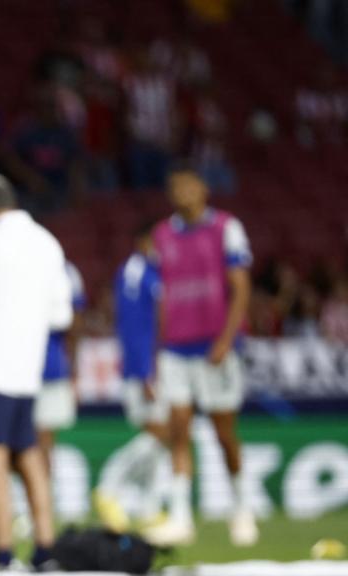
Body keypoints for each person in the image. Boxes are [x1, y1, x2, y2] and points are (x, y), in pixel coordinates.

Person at [0, 172, 72, 572]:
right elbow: (61, 313)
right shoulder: (47, 241)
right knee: (30, 455)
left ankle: (3, 555)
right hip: (27, 367)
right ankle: (45, 550)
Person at [143, 164, 257, 547]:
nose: (182, 193)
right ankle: (180, 515)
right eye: (175, 187)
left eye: (188, 186)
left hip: (214, 346)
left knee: (224, 432)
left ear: (204, 189)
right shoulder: (162, 234)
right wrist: (157, 351)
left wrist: (228, 339)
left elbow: (240, 286)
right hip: (176, 347)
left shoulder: (227, 227)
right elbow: (161, 297)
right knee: (179, 427)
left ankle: (241, 506)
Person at [94, 222, 170, 533]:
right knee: (161, 434)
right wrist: (145, 372)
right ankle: (109, 488)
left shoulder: (135, 271)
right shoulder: (140, 273)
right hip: (145, 368)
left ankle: (149, 509)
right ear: (143, 240)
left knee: (158, 440)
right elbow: (138, 326)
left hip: (147, 364)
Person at [34, 260, 85, 471]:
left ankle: (40, 499)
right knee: (38, 441)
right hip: (28, 367)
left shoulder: (65, 270)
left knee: (43, 439)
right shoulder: (66, 270)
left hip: (47, 366)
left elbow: (76, 323)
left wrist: (72, 367)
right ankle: (39, 499)